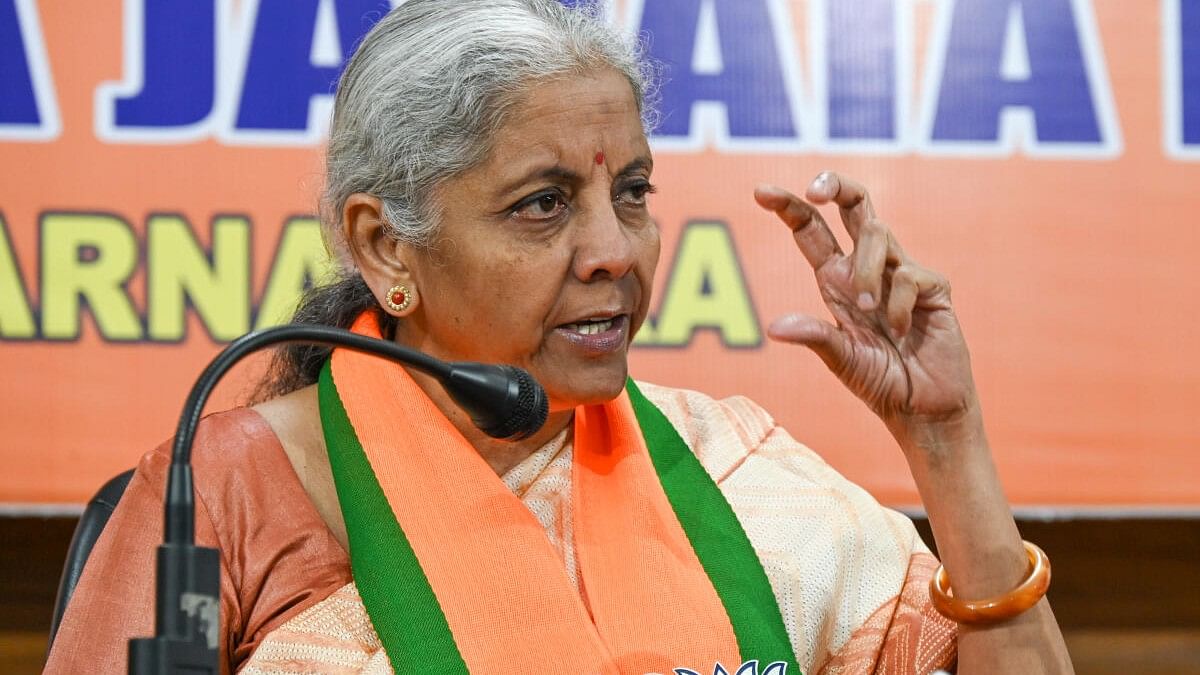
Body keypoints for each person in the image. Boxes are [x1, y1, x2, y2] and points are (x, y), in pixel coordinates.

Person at [45, 1, 1073, 673]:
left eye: (631, 193)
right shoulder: (230, 494)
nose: (613, 250)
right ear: (384, 247)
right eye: (541, 206)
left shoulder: (738, 468)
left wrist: (948, 444)